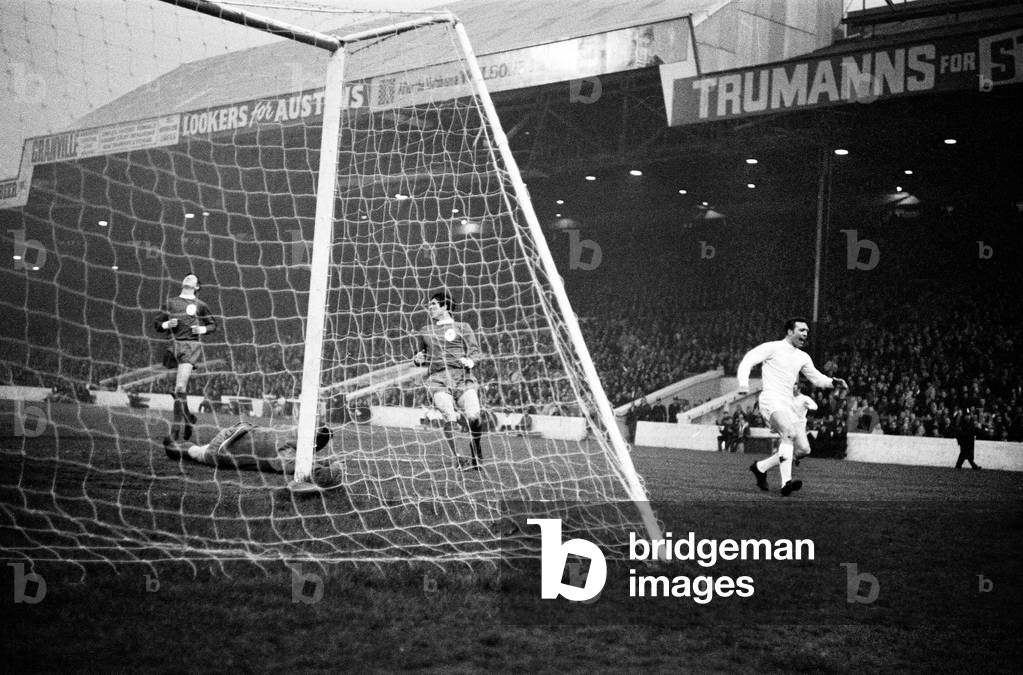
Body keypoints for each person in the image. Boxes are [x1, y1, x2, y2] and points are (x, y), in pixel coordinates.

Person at [737, 318, 847, 496]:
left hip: (788, 404)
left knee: (804, 449)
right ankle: (785, 483)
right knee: (788, 433)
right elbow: (748, 359)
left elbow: (816, 378)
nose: (805, 334)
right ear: (789, 332)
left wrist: (833, 382)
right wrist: (743, 384)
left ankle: (760, 467)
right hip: (771, 399)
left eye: (807, 331)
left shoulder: (803, 357)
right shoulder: (773, 347)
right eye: (801, 330)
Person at [413, 291, 486, 471]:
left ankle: (475, 448)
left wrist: (470, 361)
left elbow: (476, 352)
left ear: (445, 307)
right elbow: (419, 358)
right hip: (438, 380)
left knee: (474, 417)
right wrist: (417, 359)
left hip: (463, 378)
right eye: (429, 305)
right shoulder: (425, 331)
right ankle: (458, 458)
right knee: (450, 416)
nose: (429, 308)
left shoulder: (463, 327)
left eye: (433, 305)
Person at [154, 274, 217, 441]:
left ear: (197, 287)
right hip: (171, 345)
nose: (189, 278)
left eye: (193, 278)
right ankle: (189, 418)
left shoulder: (200, 305)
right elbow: (157, 325)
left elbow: (213, 325)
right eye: (187, 276)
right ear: (182, 283)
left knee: (180, 389)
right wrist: (167, 324)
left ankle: (175, 430)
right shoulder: (170, 303)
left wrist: (201, 330)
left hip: (190, 346)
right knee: (175, 391)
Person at [164, 422, 334, 482]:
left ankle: (173, 445)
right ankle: (172, 447)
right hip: (224, 449)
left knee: (197, 450)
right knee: (197, 452)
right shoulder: (286, 451)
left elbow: (296, 461)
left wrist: (325, 461)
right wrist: (327, 465)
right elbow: (299, 467)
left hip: (236, 435)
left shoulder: (290, 435)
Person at [791, 382, 818, 466]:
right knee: (788, 445)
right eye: (792, 388)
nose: (793, 390)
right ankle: (788, 460)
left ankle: (795, 457)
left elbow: (815, 406)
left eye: (794, 388)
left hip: (800, 426)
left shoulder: (804, 398)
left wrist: (808, 406)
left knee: (805, 450)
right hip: (790, 425)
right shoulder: (789, 398)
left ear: (799, 389)